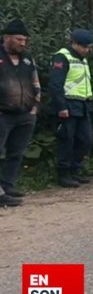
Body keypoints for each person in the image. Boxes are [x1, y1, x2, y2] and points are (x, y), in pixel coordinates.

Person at [50, 29, 93, 188]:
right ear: (74, 43)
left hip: (83, 105)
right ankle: (63, 174)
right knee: (66, 140)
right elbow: (56, 84)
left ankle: (75, 170)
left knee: (86, 140)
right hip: (68, 104)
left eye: (89, 47)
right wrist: (61, 106)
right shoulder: (62, 56)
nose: (87, 50)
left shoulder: (82, 58)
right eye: (84, 47)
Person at [0, 20, 40, 206]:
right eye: (18, 39)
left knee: (16, 153)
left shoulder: (27, 58)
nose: (23, 43)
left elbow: (35, 83)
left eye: (25, 40)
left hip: (25, 115)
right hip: (3, 114)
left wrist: (34, 109)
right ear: (6, 37)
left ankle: (8, 185)